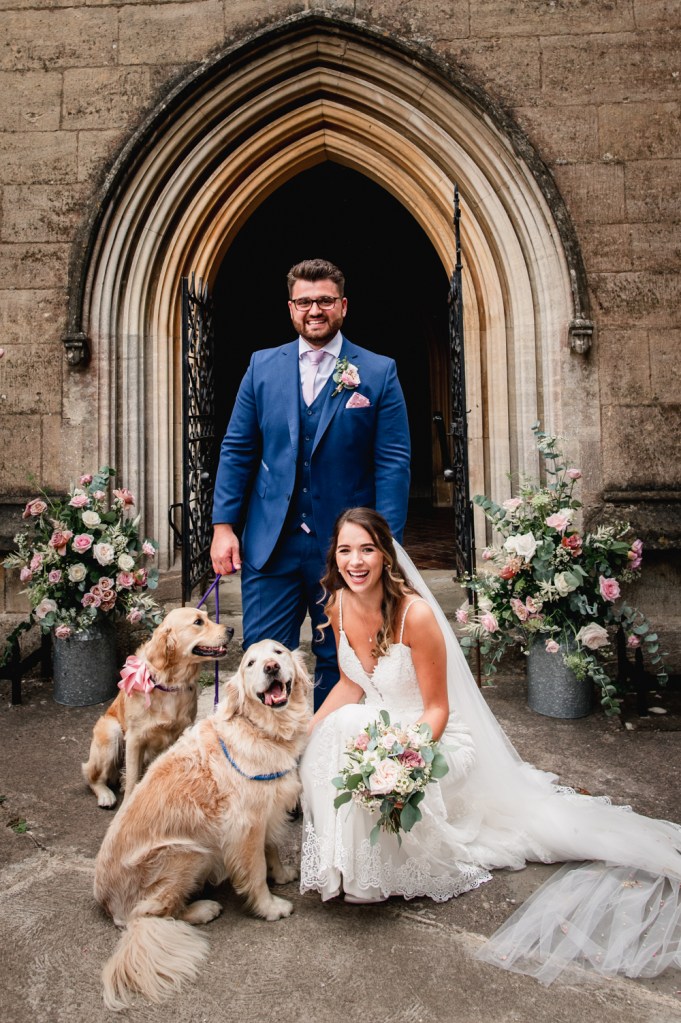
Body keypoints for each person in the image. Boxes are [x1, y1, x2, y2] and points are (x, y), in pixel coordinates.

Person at [300, 507, 681, 983]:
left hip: (428, 734)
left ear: (387, 556)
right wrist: (306, 731)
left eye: (367, 549)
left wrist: (404, 759)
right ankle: (347, 866)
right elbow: (351, 686)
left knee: (352, 731)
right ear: (334, 557)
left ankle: (369, 874)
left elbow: (437, 708)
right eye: (345, 550)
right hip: (373, 724)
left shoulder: (414, 616)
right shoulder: (335, 605)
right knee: (333, 733)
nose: (356, 561)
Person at [211, 259, 410, 707]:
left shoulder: (378, 372)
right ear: (290, 307)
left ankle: (328, 757)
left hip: (344, 548)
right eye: (304, 301)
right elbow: (237, 447)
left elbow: (393, 462)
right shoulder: (262, 367)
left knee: (342, 659)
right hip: (270, 542)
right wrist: (224, 525)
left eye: (324, 300)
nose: (314, 310)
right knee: (266, 662)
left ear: (343, 305)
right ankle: (271, 766)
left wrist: (386, 542)